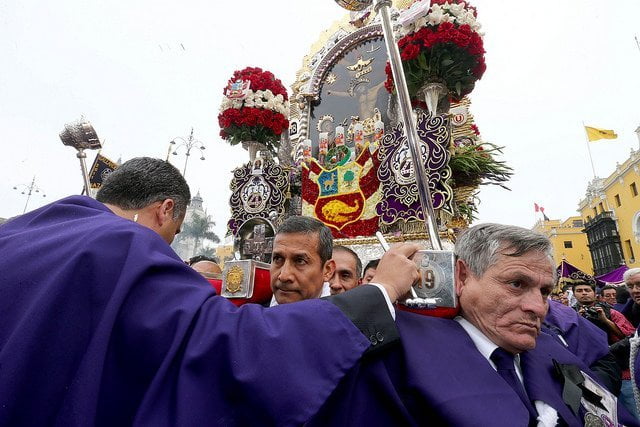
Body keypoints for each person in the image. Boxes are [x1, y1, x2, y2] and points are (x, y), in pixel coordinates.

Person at [0, 157, 422, 426]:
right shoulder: (125, 246)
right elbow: (228, 348)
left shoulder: (19, 234)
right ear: (166, 209)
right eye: (174, 233)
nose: (164, 247)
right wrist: (380, 290)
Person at [308, 223, 638, 426]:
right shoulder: (395, 353)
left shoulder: (554, 349)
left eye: (545, 290)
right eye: (517, 284)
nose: (538, 307)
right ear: (462, 276)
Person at [269, 216, 335, 305]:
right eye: (278, 259)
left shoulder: (343, 317)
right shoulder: (251, 315)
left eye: (300, 261)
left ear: (327, 270)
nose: (284, 276)